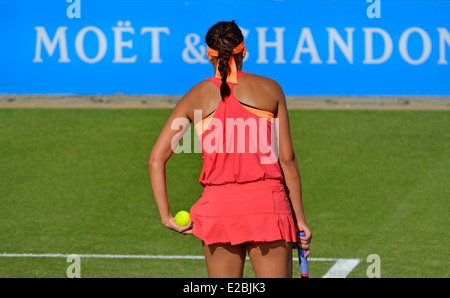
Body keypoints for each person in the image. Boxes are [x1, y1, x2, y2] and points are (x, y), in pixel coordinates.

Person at [149, 20, 311, 278]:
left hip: (218, 212)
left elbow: (156, 159)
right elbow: (288, 161)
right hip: (268, 208)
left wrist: (165, 216)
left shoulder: (195, 96)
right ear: (244, 51)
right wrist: (299, 220)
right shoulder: (271, 89)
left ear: (207, 53)